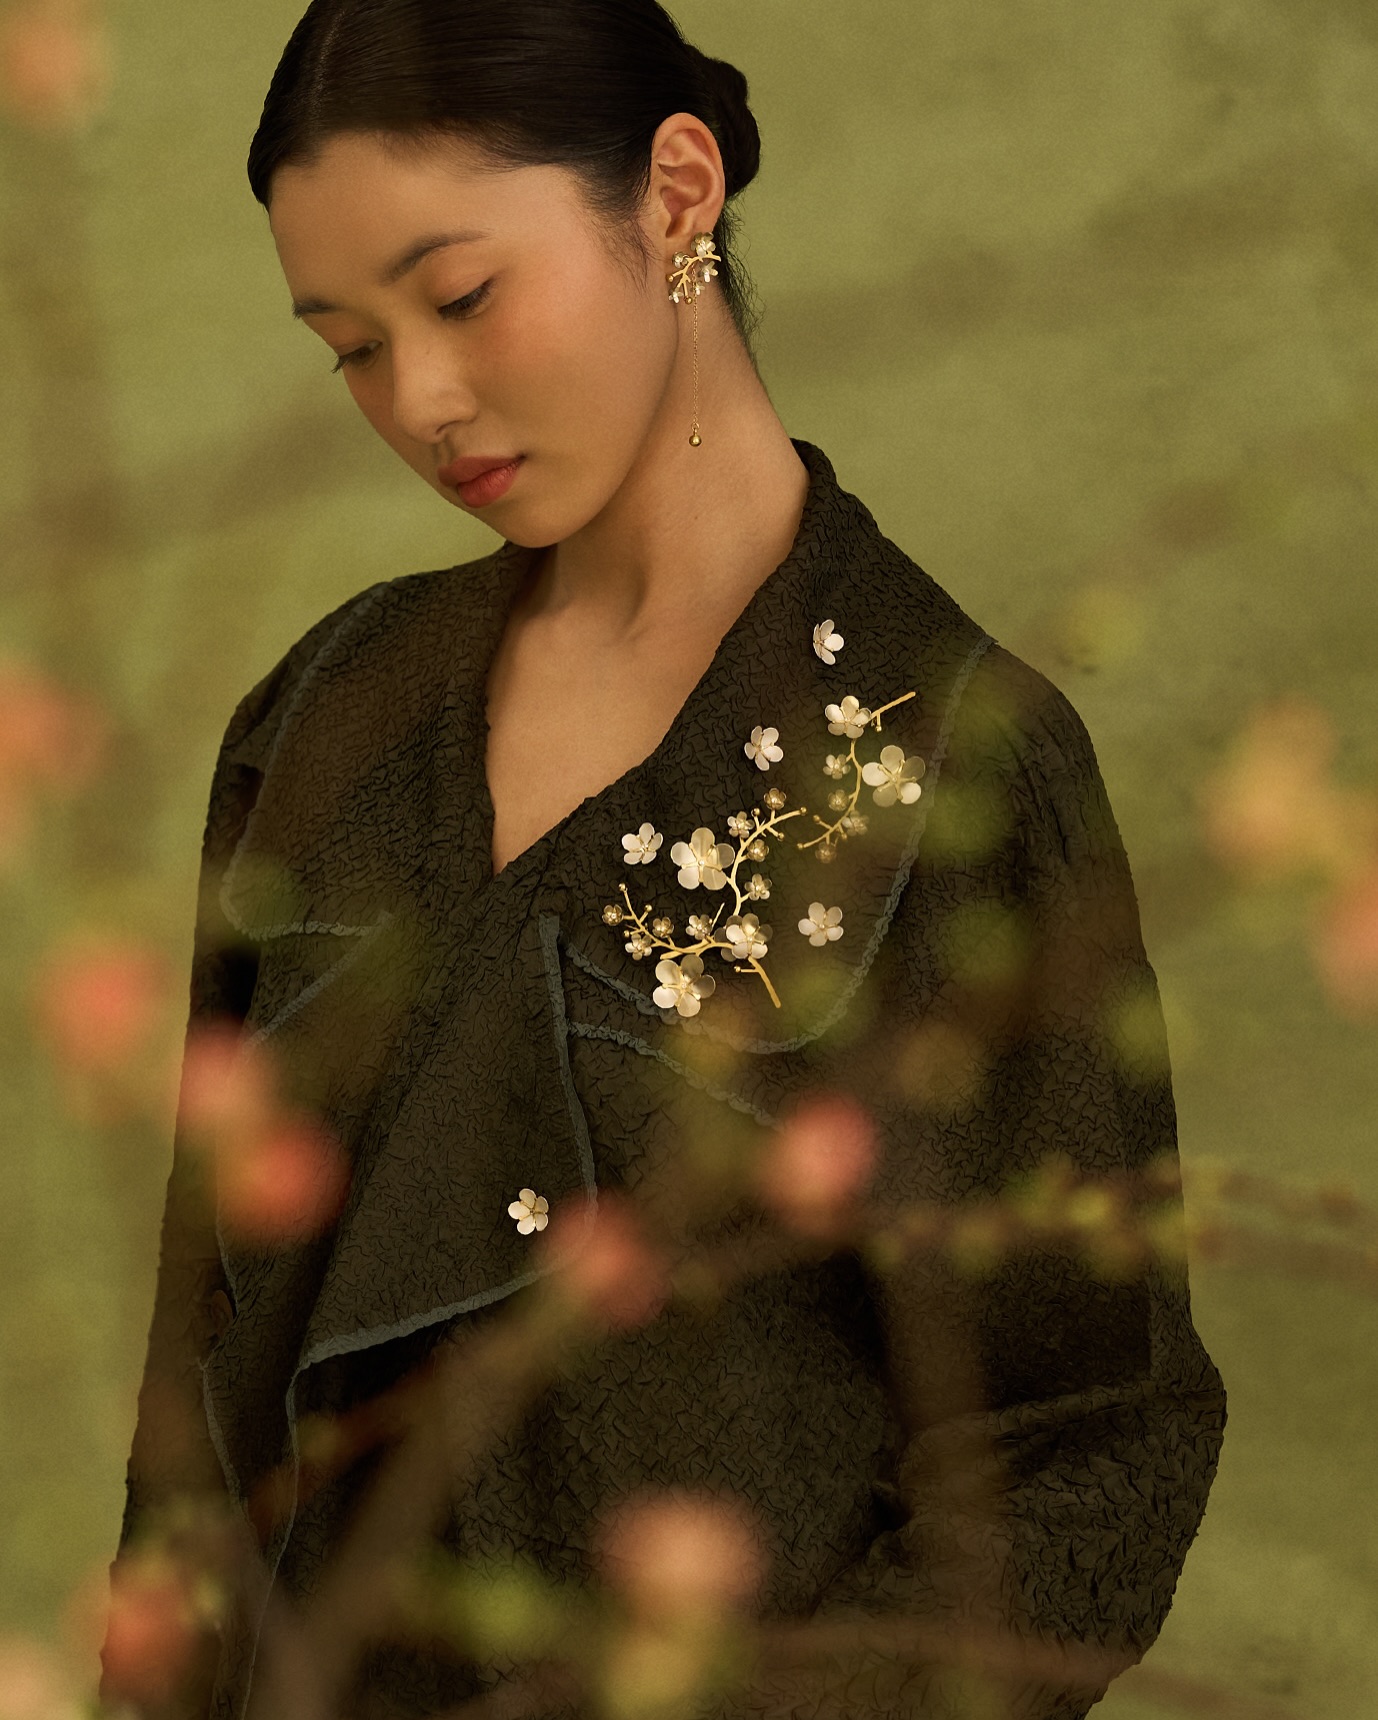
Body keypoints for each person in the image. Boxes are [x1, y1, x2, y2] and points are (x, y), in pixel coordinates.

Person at [101, 3, 1228, 1717]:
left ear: (675, 190)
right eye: (349, 347)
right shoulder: (329, 712)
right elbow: (202, 1385)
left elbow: (1079, 1448)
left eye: (462, 295)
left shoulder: (942, 758)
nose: (421, 400)